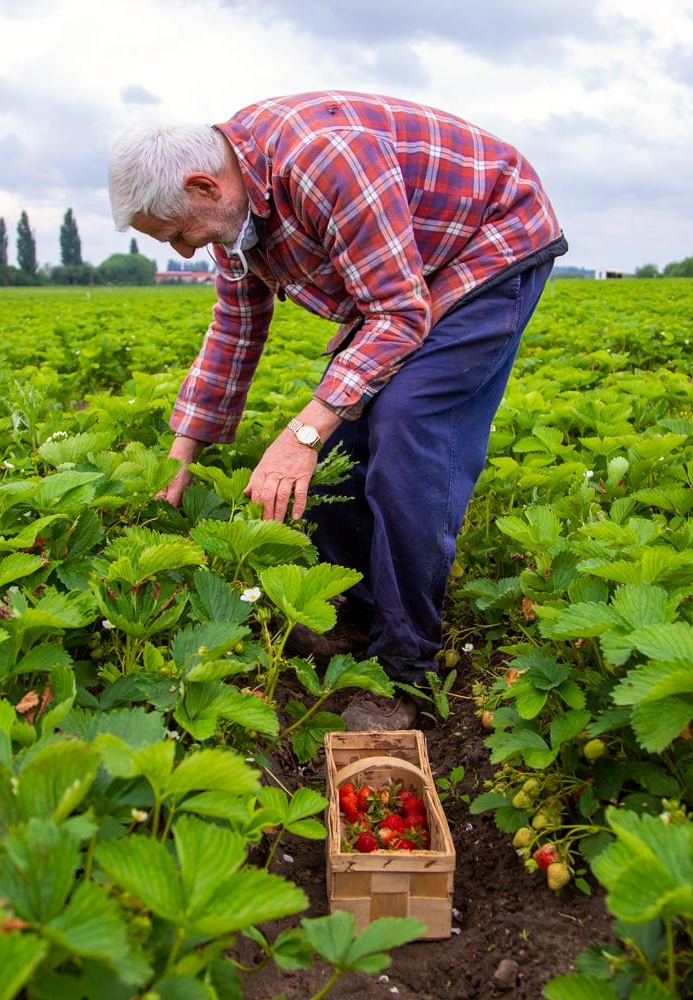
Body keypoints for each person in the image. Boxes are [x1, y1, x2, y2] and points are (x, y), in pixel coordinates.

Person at [107, 91, 566, 730]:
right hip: (407, 275)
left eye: (179, 233)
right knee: (343, 437)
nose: (185, 252)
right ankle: (349, 607)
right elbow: (236, 330)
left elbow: (398, 314)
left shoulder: (324, 161)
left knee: (406, 425)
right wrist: (180, 457)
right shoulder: (235, 214)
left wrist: (302, 430)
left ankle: (405, 666)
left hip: (485, 246)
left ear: (204, 186)